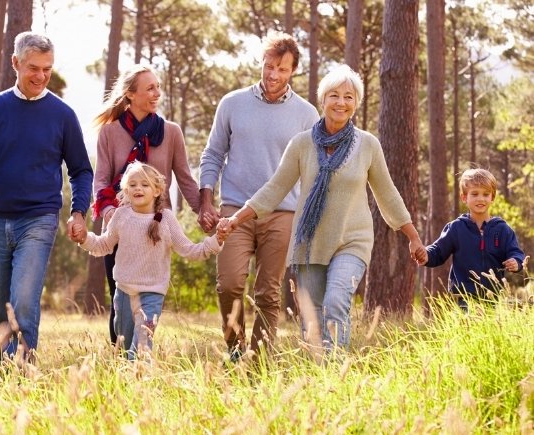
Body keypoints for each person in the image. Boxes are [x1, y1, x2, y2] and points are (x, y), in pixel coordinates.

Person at [217, 65, 426, 352]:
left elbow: (387, 193)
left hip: (352, 240)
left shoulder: (368, 145)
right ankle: (319, 374)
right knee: (312, 317)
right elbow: (275, 188)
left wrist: (412, 236)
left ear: (356, 103)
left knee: (336, 301)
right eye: (334, 95)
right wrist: (237, 218)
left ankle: (335, 370)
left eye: (349, 97)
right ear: (323, 100)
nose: (341, 102)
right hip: (310, 242)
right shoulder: (302, 144)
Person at [0, 32, 93, 360]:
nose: (41, 76)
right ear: (15, 63)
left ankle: (22, 375)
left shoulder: (63, 115)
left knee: (24, 303)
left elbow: (81, 170)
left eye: (47, 69)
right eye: (34, 68)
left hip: (39, 218)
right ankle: (2, 376)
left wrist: (78, 212)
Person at [198, 30, 320, 360]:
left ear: (293, 70)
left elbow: (312, 171)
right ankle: (236, 349)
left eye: (282, 69)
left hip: (282, 212)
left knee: (268, 292)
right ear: (261, 63)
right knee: (230, 283)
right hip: (235, 209)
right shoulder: (232, 104)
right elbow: (212, 154)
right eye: (268, 66)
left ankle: (260, 360)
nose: (273, 75)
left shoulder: (307, 115)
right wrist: (206, 200)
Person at [92, 64, 201, 345]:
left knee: (150, 302)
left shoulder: (171, 132)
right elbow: (101, 181)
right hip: (121, 228)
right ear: (130, 94)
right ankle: (119, 359)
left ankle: (141, 357)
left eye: (158, 87)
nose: (157, 93)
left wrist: (204, 211)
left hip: (156, 228)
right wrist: (111, 215)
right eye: (150, 88)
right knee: (120, 301)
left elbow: (186, 179)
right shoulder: (109, 132)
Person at [73, 162, 222, 358]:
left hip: (152, 295)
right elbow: (104, 245)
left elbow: (190, 250)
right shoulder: (121, 215)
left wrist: (216, 241)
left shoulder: (166, 220)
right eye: (132, 185)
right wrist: (84, 238)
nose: (138, 188)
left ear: (157, 190)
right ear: (126, 189)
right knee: (125, 347)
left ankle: (140, 379)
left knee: (141, 348)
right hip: (124, 293)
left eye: (144, 184)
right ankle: (128, 384)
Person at [420, 168, 525, 310]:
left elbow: (515, 252)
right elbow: (438, 251)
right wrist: (425, 254)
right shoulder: (456, 228)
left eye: (485, 194)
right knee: (467, 327)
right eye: (474, 194)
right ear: (464, 197)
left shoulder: (502, 229)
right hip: (463, 296)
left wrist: (516, 262)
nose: (480, 198)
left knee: (489, 330)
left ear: (492, 197)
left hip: (493, 296)